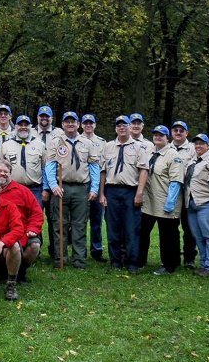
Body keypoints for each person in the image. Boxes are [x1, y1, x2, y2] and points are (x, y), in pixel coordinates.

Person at [45, 111, 100, 268]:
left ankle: (79, 259)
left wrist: (94, 188)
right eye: (67, 121)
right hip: (61, 188)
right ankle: (60, 258)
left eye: (73, 121)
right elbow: (50, 165)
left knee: (80, 224)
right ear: (62, 124)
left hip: (81, 188)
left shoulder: (87, 143)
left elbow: (94, 167)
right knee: (59, 224)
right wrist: (53, 186)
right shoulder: (55, 142)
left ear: (78, 124)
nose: (70, 124)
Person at [99, 115, 150, 274]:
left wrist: (140, 192)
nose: (122, 128)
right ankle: (115, 261)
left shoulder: (138, 147)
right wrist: (101, 194)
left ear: (129, 127)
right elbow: (103, 172)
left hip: (130, 191)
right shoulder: (107, 147)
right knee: (113, 228)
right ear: (115, 128)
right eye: (119, 125)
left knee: (131, 228)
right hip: (111, 190)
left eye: (124, 125)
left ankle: (132, 262)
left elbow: (143, 170)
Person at [0, 161, 43, 282]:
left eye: (5, 172)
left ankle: (20, 271)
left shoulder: (23, 191)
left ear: (11, 174)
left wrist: (32, 228)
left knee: (34, 246)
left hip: (20, 234)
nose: (2, 174)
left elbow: (36, 213)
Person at [139, 125, 184, 275]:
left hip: (165, 201)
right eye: (155, 134)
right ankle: (140, 260)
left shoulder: (172, 155)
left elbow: (176, 180)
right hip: (149, 202)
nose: (158, 137)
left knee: (167, 235)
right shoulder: (150, 153)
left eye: (161, 135)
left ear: (167, 138)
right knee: (142, 231)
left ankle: (169, 265)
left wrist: (170, 203)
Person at [184, 134, 209, 277]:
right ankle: (204, 264)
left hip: (207, 203)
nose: (198, 146)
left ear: (208, 145)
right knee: (198, 237)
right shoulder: (192, 161)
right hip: (192, 204)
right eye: (196, 144)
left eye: (201, 143)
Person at [0, 115, 47, 205]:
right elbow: (1, 169)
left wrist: (46, 189)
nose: (23, 127)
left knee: (35, 217)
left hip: (35, 189)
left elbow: (44, 168)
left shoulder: (40, 144)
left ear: (31, 127)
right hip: (13, 188)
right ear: (16, 127)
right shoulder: (6, 145)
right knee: (14, 217)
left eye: (26, 125)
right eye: (20, 125)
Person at [79, 113, 107, 262]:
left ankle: (97, 250)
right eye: (86, 123)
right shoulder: (76, 140)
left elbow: (104, 165)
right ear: (81, 125)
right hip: (81, 184)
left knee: (97, 219)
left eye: (91, 123)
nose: (88, 125)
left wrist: (100, 190)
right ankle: (80, 250)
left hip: (98, 184)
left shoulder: (102, 143)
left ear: (95, 125)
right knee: (80, 220)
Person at [170, 120, 197, 268]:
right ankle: (173, 256)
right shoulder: (166, 148)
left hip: (187, 194)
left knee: (189, 228)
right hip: (171, 195)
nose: (178, 133)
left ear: (186, 133)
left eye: (181, 130)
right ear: (171, 133)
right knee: (172, 227)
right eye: (175, 130)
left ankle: (189, 258)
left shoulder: (193, 148)